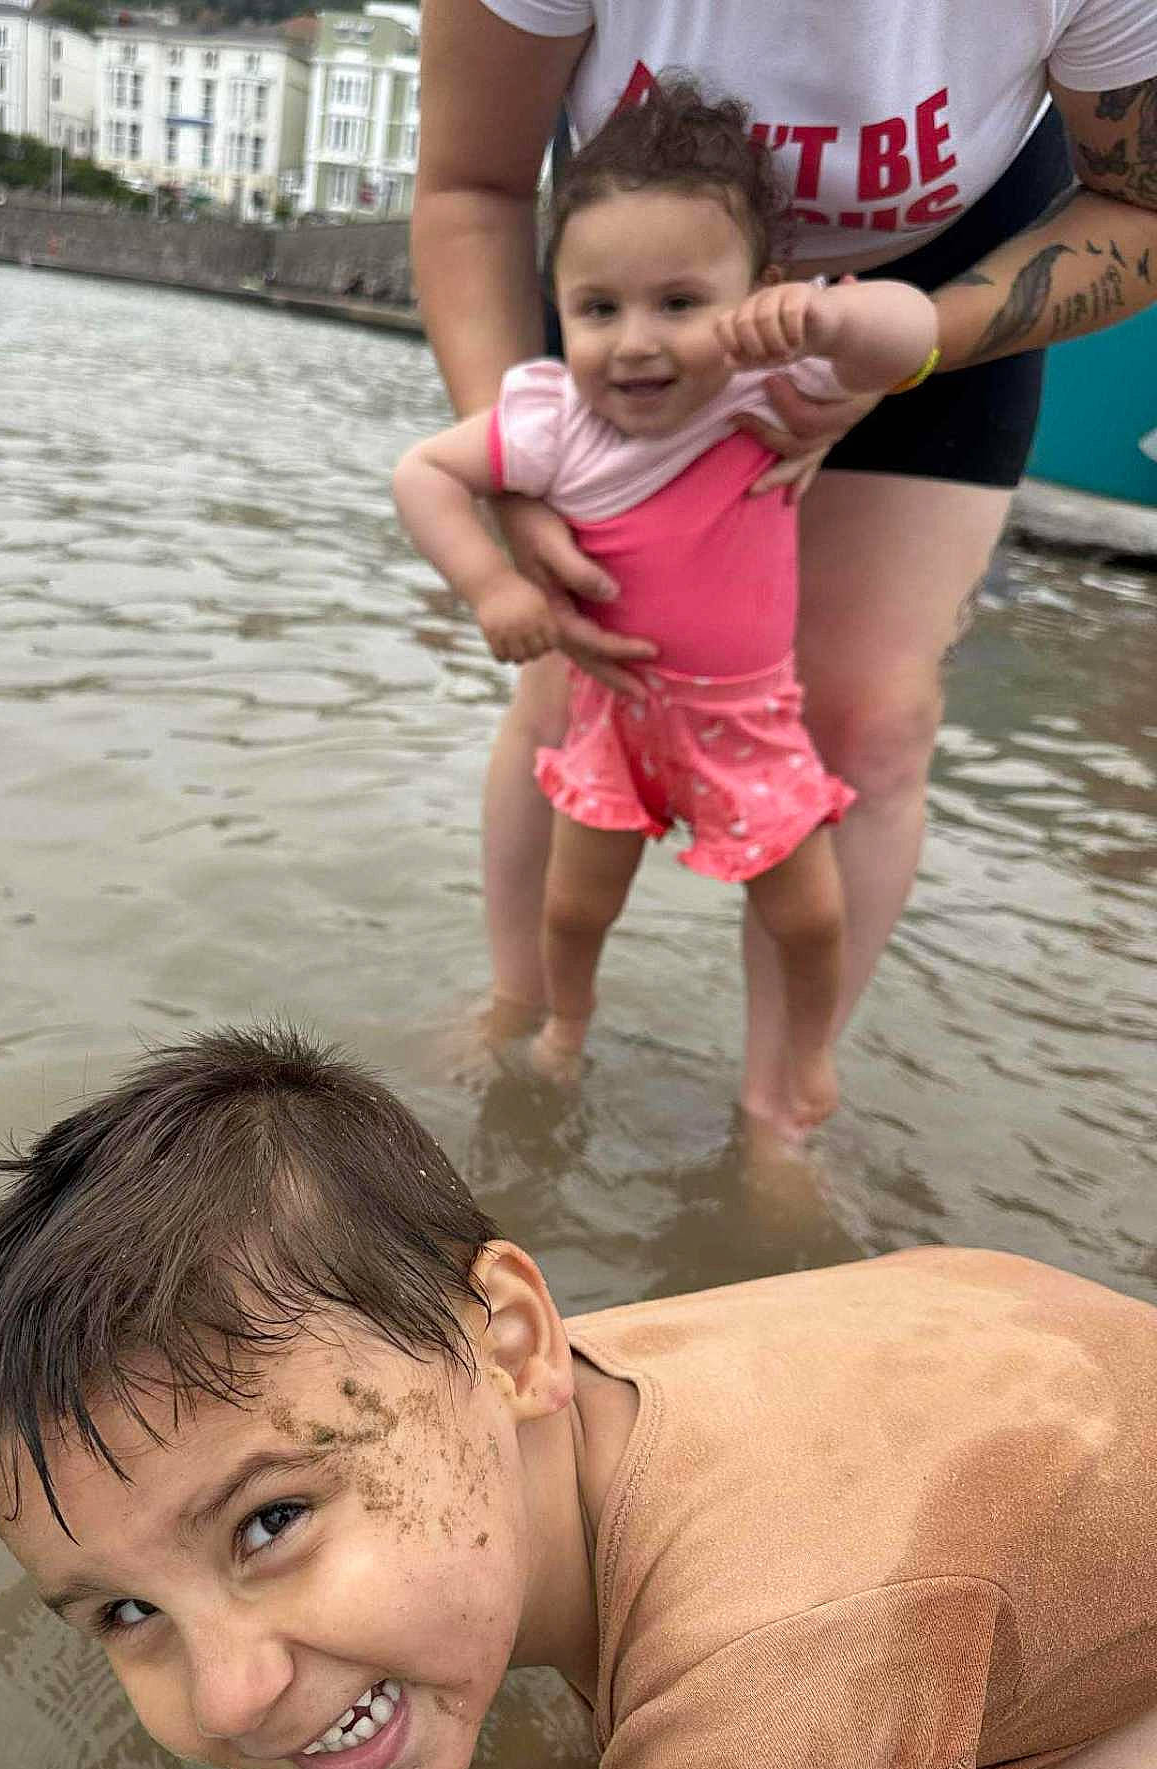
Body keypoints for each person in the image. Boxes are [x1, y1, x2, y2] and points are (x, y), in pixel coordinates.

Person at [0, 1026, 1157, 1769]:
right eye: (129, 1612)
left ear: (513, 1341)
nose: (232, 1700)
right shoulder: (524, 1394)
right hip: (1011, 1373)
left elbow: (746, 1728)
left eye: (271, 1519)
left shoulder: (760, 1684)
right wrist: (347, 1708)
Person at [412, 0, 1157, 1119]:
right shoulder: (617, 328)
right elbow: (470, 185)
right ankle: (526, 1015)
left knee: (873, 716)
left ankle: (783, 1110)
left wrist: (917, 341)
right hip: (645, 264)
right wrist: (518, 491)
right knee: (570, 682)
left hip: (940, 285)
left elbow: (1138, 199)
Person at [394, 81, 939, 1132]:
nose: (636, 343)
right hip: (620, 713)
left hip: (749, 723)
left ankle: (803, 1061)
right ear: (559, 304)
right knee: (575, 906)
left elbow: (907, 333)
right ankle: (563, 1027)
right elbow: (422, 472)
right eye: (599, 309)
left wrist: (830, 314)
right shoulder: (552, 424)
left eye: (680, 304)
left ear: (756, 294)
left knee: (812, 917)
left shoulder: (769, 385)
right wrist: (494, 584)